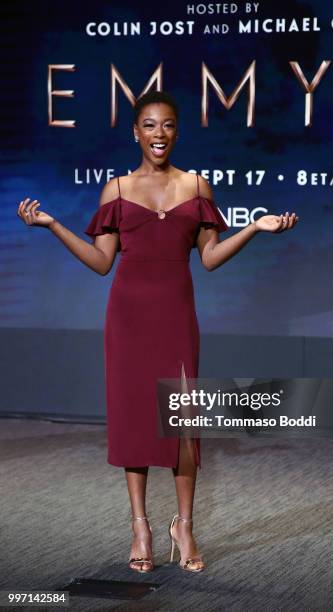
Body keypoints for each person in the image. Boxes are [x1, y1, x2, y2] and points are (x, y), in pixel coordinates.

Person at [17, 90, 298, 574]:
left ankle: (184, 527)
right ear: (135, 132)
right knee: (136, 418)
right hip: (127, 319)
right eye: (149, 125)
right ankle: (141, 527)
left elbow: (209, 259)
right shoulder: (117, 190)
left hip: (175, 316)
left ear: (177, 130)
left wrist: (253, 228)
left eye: (167, 125)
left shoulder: (197, 186)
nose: (159, 134)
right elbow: (102, 263)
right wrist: (53, 226)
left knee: (184, 420)